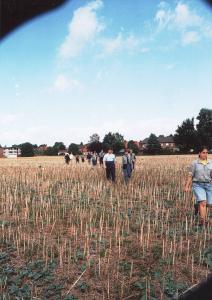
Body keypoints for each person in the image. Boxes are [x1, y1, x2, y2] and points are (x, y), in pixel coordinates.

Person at [184, 146, 212, 226]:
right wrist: (187, 186)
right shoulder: (194, 163)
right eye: (203, 152)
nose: (205, 154)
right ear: (199, 153)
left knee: (209, 204)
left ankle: (197, 206)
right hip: (198, 185)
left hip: (209, 185)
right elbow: (190, 175)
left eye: (206, 153)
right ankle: (202, 222)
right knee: (203, 202)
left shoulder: (211, 163)